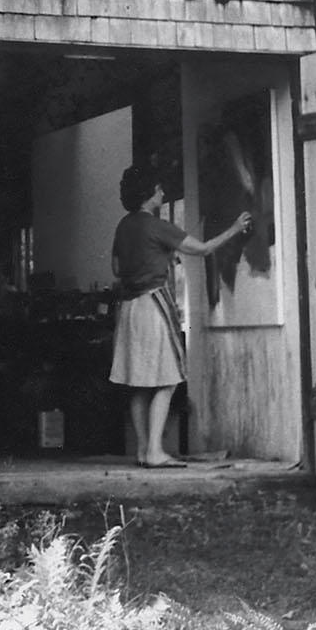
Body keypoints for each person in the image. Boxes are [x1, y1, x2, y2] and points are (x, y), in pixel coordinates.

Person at [110, 164, 252, 468]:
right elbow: (201, 249)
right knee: (167, 379)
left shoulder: (124, 225)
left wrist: (154, 258)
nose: (163, 193)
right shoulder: (156, 226)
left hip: (130, 308)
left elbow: (117, 268)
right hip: (152, 305)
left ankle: (142, 450)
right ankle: (155, 452)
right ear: (149, 195)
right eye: (159, 189)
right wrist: (235, 228)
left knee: (138, 383)